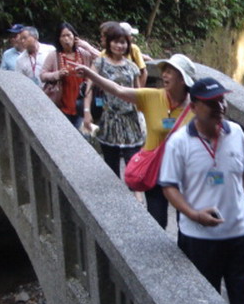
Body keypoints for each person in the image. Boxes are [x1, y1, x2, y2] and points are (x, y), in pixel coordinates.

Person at [159, 77, 244, 304]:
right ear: (193, 107)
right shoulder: (179, 143)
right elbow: (169, 186)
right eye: (211, 103)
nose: (221, 107)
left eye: (222, 100)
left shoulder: (236, 131)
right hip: (200, 238)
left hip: (240, 233)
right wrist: (194, 215)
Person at [76, 53, 196, 229]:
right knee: (157, 222)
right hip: (156, 170)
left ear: (183, 79)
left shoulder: (197, 107)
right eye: (164, 71)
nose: (164, 75)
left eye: (170, 72)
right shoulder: (152, 97)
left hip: (183, 173)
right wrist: (90, 74)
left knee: (186, 222)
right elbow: (118, 90)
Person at [81, 23, 143, 177]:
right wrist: (87, 111)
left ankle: (135, 196)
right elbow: (89, 89)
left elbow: (139, 93)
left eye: (123, 42)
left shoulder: (132, 67)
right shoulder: (100, 63)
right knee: (111, 163)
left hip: (130, 119)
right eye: (115, 41)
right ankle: (116, 197)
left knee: (133, 162)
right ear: (108, 42)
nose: (119, 45)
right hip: (109, 119)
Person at [40, 22, 94, 130]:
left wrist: (86, 46)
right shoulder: (54, 55)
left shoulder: (83, 53)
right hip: (62, 104)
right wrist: (57, 74)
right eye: (63, 36)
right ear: (58, 39)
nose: (66, 39)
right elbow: (42, 75)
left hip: (82, 103)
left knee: (82, 136)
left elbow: (102, 59)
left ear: (74, 37)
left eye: (69, 35)